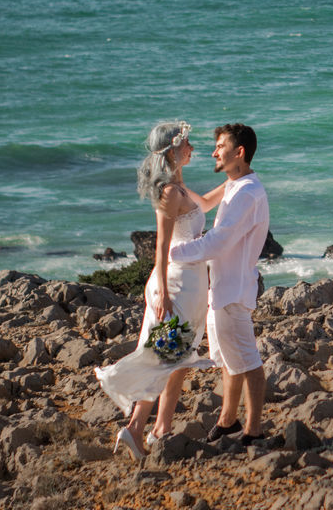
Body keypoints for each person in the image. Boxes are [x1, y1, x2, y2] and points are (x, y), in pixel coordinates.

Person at [95, 120, 224, 460]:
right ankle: (137, 429)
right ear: (172, 151)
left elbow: (208, 204)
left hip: (191, 284)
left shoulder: (180, 187)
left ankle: (160, 428)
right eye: (186, 144)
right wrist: (164, 293)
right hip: (176, 285)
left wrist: (239, 179)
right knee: (164, 358)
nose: (192, 148)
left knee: (178, 358)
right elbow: (161, 246)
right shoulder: (168, 193)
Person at [168, 123, 270, 444]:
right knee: (228, 360)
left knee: (249, 362)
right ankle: (228, 421)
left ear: (239, 152)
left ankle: (253, 432)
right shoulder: (234, 186)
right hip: (223, 289)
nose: (214, 152)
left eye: (220, 146)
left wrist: (171, 254)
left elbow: (217, 242)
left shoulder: (247, 193)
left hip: (232, 291)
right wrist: (175, 171)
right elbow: (197, 203)